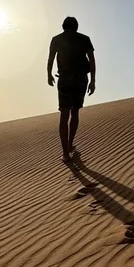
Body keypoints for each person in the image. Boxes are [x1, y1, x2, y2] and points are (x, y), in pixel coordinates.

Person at [47, 16, 96, 163]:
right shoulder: (84, 38)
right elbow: (92, 60)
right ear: (76, 26)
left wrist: (48, 74)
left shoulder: (56, 39)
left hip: (65, 79)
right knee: (75, 111)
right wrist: (93, 81)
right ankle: (69, 146)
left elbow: (50, 59)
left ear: (63, 26)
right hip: (81, 79)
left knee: (64, 113)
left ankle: (65, 153)